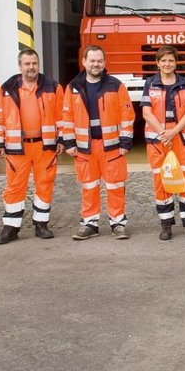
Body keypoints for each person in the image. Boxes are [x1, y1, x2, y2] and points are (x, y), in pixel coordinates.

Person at [0, 48, 65, 244]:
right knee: (15, 186)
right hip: (17, 147)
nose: (31, 67)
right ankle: (11, 227)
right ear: (20, 66)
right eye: (27, 63)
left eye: (34, 63)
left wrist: (62, 139)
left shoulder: (52, 86)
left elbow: (62, 116)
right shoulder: (7, 88)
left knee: (45, 184)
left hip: (45, 145)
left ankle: (41, 224)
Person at [63, 45, 135, 241]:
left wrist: (125, 141)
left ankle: (118, 223)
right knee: (89, 186)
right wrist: (69, 142)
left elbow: (127, 114)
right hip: (85, 148)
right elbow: (66, 116)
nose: (96, 64)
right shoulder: (73, 87)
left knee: (115, 186)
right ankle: (89, 224)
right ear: (84, 62)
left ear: (104, 63)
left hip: (111, 146)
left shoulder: (115, 85)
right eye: (92, 60)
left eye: (99, 61)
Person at [140, 45, 185, 241]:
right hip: (158, 139)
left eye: (171, 61)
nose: (167, 64)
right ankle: (166, 225)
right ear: (157, 63)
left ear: (176, 63)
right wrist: (163, 133)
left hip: (181, 137)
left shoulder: (184, 83)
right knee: (161, 180)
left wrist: (173, 131)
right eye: (163, 60)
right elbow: (146, 112)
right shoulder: (150, 83)